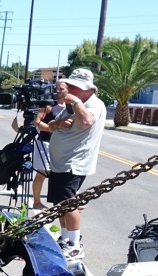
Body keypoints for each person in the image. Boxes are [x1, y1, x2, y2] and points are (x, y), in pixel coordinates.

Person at [47, 68, 105, 260]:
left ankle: (74, 244)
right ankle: (65, 239)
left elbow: (87, 120)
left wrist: (77, 102)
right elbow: (54, 125)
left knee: (69, 203)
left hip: (74, 163)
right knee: (61, 204)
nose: (70, 89)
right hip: (60, 163)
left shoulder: (93, 104)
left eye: (75, 87)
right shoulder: (73, 104)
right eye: (70, 85)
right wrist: (59, 123)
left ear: (88, 89)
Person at [29, 81, 68, 209]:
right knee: (42, 173)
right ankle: (36, 202)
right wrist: (51, 129)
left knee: (62, 174)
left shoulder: (70, 107)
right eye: (56, 88)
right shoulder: (49, 105)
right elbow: (37, 122)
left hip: (61, 145)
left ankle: (64, 201)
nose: (57, 91)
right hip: (44, 143)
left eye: (61, 89)